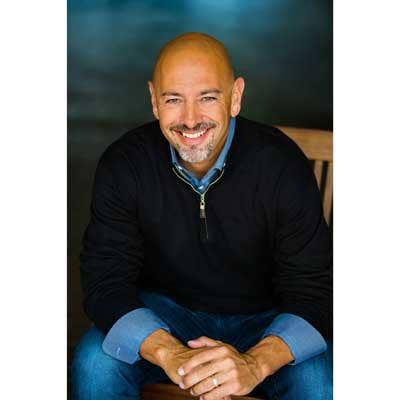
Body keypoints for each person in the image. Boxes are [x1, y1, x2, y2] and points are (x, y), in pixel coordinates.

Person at [71, 32, 333, 400]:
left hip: (267, 322)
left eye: (208, 98)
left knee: (321, 383)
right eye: (173, 99)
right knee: (94, 364)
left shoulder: (282, 164)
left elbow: (316, 291)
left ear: (235, 97)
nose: (190, 120)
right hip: (165, 319)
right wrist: (169, 352)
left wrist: (255, 363)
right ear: (154, 101)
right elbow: (105, 281)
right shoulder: (125, 164)